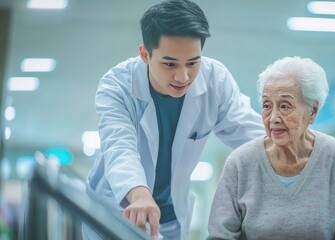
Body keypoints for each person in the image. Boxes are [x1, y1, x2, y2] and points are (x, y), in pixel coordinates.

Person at [84, 0, 264, 239]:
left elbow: (254, 137)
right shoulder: (117, 86)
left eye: (193, 63)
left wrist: (301, 152)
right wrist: (139, 196)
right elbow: (120, 147)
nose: (183, 76)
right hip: (120, 212)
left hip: (169, 219)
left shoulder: (215, 81)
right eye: (169, 64)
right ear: (145, 54)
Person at [207, 56, 335, 239]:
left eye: (285, 106)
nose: (274, 117)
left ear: (313, 111)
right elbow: (220, 235)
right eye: (267, 105)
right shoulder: (240, 163)